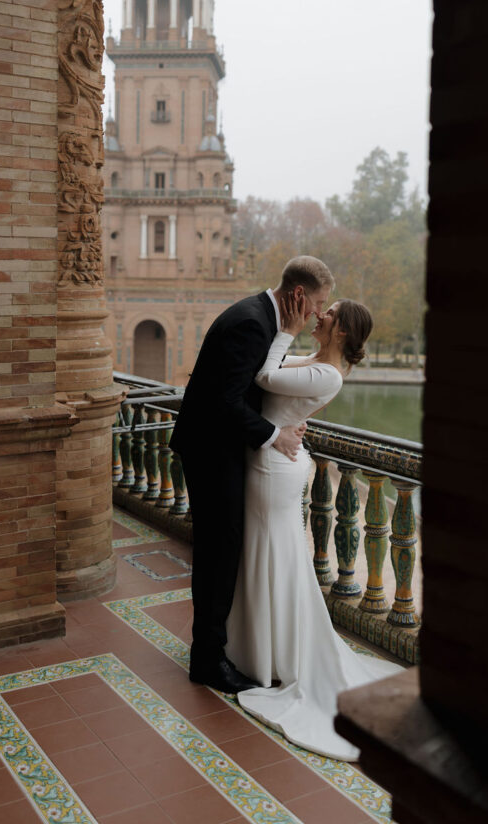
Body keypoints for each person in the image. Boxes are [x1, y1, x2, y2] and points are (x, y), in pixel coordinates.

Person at [224, 294, 404, 759]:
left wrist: (285, 326)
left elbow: (266, 375)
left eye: (330, 313)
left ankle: (272, 656)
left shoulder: (326, 372)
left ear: (341, 330)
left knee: (274, 554)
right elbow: (277, 374)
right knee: (270, 554)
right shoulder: (318, 362)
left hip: (273, 469)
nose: (321, 316)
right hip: (274, 455)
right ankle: (262, 650)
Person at [170, 256, 334, 694]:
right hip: (211, 453)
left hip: (221, 449)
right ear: (298, 295)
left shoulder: (261, 318)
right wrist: (274, 435)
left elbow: (254, 385)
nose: (319, 313)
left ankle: (219, 647)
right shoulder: (251, 323)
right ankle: (207, 660)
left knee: (223, 553)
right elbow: (224, 401)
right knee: (217, 555)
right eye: (318, 303)